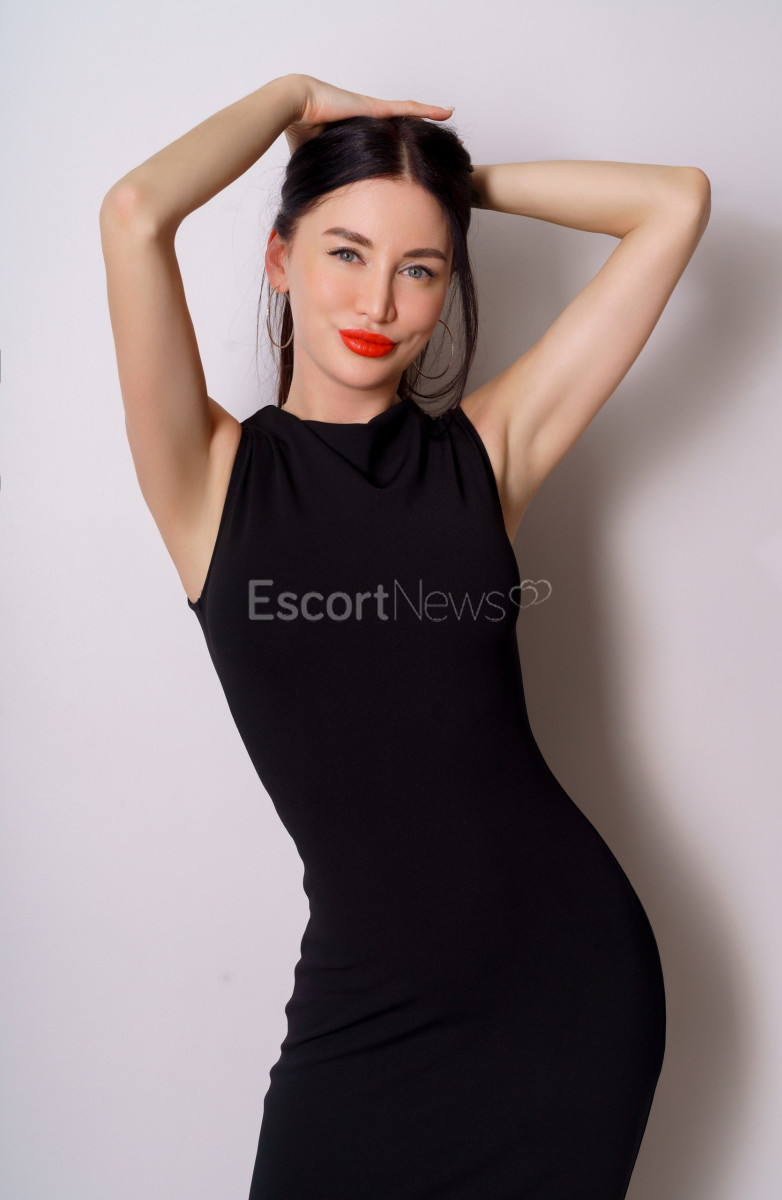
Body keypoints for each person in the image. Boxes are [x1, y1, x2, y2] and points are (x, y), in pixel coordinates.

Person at [99, 73, 710, 1199]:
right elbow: (135, 212)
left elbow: (674, 203)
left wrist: (447, 183)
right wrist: (291, 99)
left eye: (419, 267)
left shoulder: (486, 454)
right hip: (364, 1009)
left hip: (566, 990)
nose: (377, 297)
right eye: (345, 251)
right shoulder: (210, 478)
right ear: (279, 258)